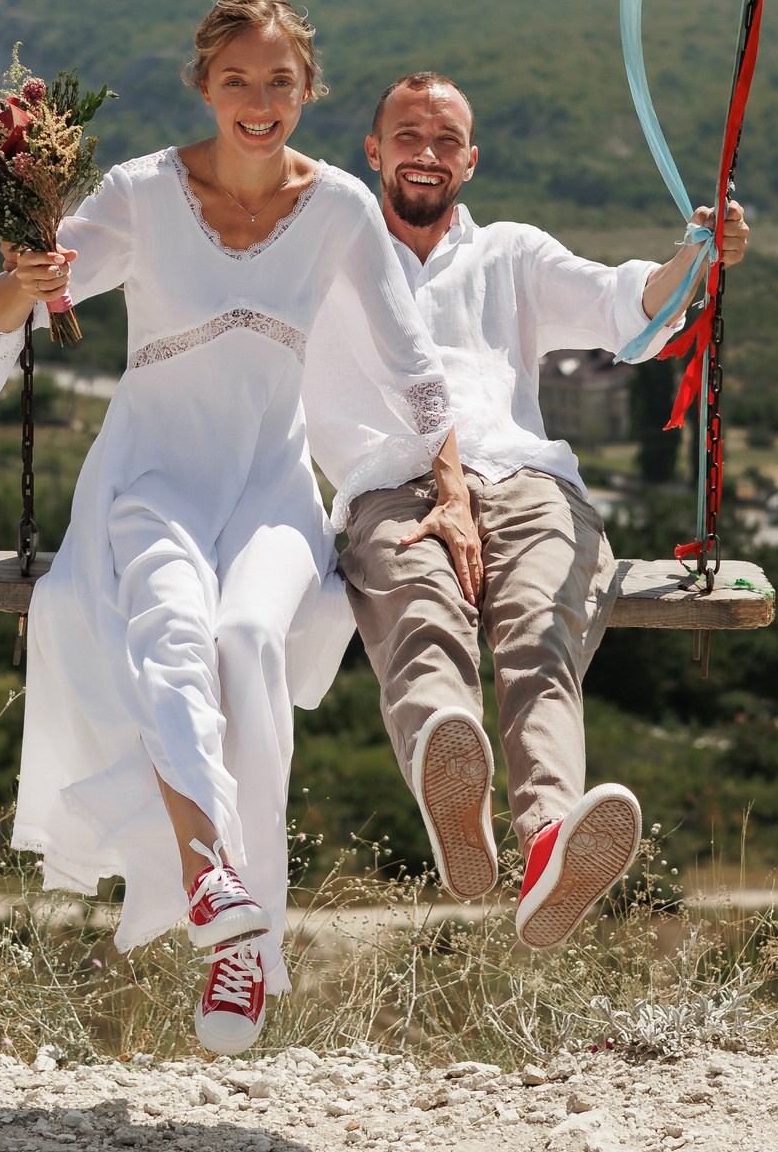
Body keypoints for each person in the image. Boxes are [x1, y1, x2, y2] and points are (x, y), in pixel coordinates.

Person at [0, 0, 474, 1055]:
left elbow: (416, 371)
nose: (258, 103)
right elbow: (26, 292)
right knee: (169, 630)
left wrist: (449, 485)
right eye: (236, 81)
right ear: (203, 87)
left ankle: (247, 948)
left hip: (266, 478)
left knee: (249, 640)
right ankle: (221, 897)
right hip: (154, 471)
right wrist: (21, 278)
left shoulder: (345, 208)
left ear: (307, 89)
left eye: (279, 82)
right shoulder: (140, 193)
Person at [304, 71, 748, 949]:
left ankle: (548, 838)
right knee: (421, 609)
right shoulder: (329, 257)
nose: (424, 154)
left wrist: (695, 258)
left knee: (540, 632)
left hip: (525, 481)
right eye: (407, 135)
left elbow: (625, 306)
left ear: (471, 160)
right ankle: (451, 775)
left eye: (444, 140)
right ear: (372, 150)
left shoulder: (510, 252)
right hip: (394, 484)